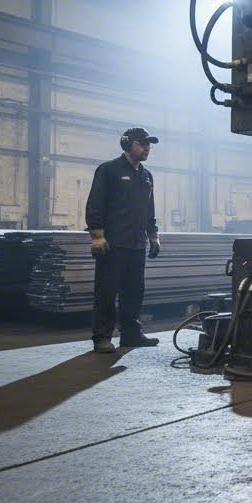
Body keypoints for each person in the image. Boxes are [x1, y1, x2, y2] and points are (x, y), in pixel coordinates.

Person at [85, 127, 161, 353]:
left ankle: (131, 334)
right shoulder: (109, 170)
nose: (147, 148)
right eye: (142, 143)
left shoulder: (146, 175)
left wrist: (153, 235)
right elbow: (95, 204)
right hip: (113, 244)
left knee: (134, 292)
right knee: (106, 293)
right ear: (127, 144)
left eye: (149, 144)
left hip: (137, 244)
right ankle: (102, 337)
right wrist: (97, 236)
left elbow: (149, 209)